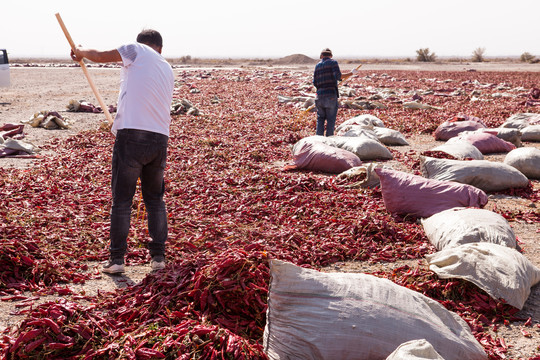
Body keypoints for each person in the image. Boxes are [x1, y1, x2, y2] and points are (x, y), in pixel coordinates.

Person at [70, 29, 175, 274]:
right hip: (159, 138)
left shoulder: (135, 50)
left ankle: (117, 260)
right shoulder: (166, 67)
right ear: (161, 48)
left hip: (132, 136)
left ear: (144, 44)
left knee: (122, 201)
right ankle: (158, 257)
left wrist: (80, 50)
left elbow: (100, 55)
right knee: (155, 200)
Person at [312, 48, 357, 136]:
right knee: (330, 119)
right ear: (331, 56)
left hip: (319, 96)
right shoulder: (333, 62)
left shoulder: (317, 66)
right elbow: (338, 76)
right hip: (330, 96)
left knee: (320, 119)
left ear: (321, 56)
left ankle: (319, 139)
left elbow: (314, 82)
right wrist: (351, 73)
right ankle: (329, 139)